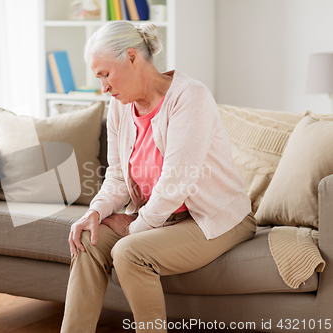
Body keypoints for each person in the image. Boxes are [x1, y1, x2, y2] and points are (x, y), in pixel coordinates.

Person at [60, 20, 256, 333]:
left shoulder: (189, 97)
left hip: (213, 219)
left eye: (105, 75)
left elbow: (175, 183)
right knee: (87, 238)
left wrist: (135, 226)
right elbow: (118, 177)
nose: (104, 88)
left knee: (129, 251)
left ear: (132, 58)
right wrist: (95, 212)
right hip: (162, 219)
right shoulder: (119, 107)